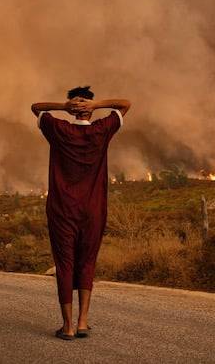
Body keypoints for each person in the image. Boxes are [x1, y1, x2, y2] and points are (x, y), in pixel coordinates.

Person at [31, 86, 131, 341]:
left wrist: (63, 107)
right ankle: (83, 322)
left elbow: (36, 107)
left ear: (73, 107)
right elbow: (125, 104)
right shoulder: (102, 130)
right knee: (87, 262)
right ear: (88, 106)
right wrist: (97, 105)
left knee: (65, 264)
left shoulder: (58, 129)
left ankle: (68, 327)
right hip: (93, 209)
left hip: (62, 209)